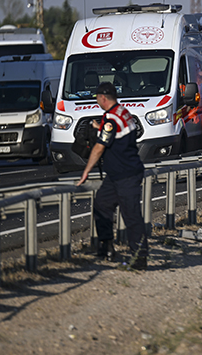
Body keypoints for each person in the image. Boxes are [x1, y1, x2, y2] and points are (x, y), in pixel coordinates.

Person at [76, 82, 148, 269]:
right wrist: (99, 126)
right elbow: (116, 132)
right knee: (101, 205)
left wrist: (86, 172)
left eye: (97, 98)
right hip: (116, 174)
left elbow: (100, 146)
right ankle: (106, 247)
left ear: (103, 98)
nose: (97, 101)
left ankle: (139, 257)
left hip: (126, 174)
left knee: (131, 215)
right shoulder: (123, 112)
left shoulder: (111, 119)